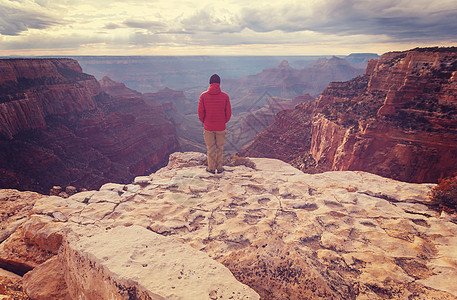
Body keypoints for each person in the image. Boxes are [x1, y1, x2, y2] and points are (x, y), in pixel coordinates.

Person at [198, 74, 231, 174]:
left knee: (210, 148)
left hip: (208, 127)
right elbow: (228, 113)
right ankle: (220, 168)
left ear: (210, 83)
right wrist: (222, 122)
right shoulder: (225, 96)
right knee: (220, 148)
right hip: (221, 127)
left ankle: (211, 168)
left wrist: (206, 122)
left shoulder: (203, 96)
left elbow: (200, 113)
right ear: (219, 83)